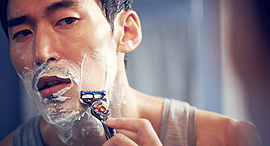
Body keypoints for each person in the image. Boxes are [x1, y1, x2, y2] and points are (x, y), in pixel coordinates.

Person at [0, 0, 261, 145]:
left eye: (66, 20)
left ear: (126, 32)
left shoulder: (229, 139)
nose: (41, 53)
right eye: (22, 33)